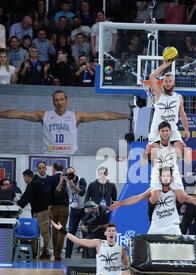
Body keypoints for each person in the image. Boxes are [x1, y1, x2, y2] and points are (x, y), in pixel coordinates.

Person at [0, 90, 129, 155]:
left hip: (70, 156)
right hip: (48, 155)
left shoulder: (76, 116)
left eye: (62, 99)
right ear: (53, 102)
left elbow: (103, 115)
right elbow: (19, 114)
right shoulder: (44, 115)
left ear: (67, 101)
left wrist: (127, 116)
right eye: (56, 100)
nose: (59, 102)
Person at [110, 167, 196, 235]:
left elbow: (192, 199)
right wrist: (120, 203)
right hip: (156, 226)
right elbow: (138, 197)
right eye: (164, 176)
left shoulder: (176, 190)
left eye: (168, 176)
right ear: (160, 177)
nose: (166, 178)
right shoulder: (153, 190)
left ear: (171, 177)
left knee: (176, 255)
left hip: (172, 226)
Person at [51, 220, 130, 275]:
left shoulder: (120, 247)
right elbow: (78, 241)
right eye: (109, 231)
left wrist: (125, 253)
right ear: (105, 233)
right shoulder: (99, 243)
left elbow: (126, 264)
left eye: (113, 231)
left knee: (128, 273)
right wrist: (62, 229)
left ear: (116, 233)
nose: (111, 232)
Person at [148, 59, 190, 145]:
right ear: (162, 83)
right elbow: (152, 77)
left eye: (170, 81)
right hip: (157, 130)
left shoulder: (178, 97)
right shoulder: (159, 93)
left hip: (172, 130)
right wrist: (164, 65)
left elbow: (182, 114)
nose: (168, 83)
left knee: (182, 149)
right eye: (166, 81)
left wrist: (186, 129)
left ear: (173, 82)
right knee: (154, 153)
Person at [17, 169, 50, 259]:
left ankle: (46, 252)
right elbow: (26, 195)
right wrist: (19, 205)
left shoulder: (35, 183)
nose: (24, 179)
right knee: (35, 232)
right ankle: (34, 252)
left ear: (28, 177)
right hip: (36, 211)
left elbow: (27, 196)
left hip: (42, 211)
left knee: (44, 232)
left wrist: (18, 206)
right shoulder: (33, 183)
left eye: (24, 177)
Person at [56, 166, 87, 258]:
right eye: (68, 174)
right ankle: (68, 257)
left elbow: (82, 192)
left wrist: (72, 184)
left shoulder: (81, 180)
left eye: (72, 173)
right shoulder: (65, 181)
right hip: (74, 210)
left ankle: (86, 256)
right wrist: (61, 181)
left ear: (75, 173)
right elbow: (58, 192)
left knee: (85, 233)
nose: (70, 175)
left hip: (84, 210)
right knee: (70, 234)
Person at [48, 161, 69, 261]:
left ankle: (55, 252)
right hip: (64, 207)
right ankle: (58, 254)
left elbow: (49, 193)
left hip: (53, 207)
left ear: (53, 169)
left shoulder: (51, 178)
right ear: (63, 168)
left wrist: (50, 204)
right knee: (61, 230)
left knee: (54, 230)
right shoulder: (66, 178)